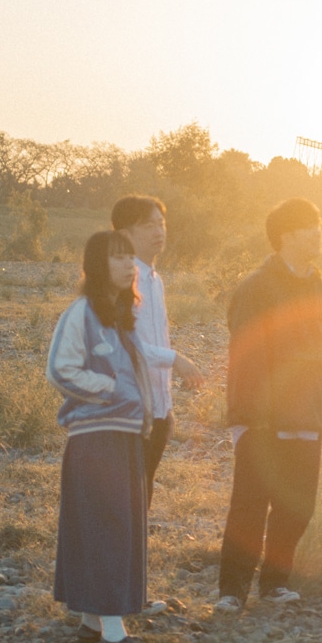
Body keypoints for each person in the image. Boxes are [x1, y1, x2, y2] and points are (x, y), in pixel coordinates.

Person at [215, 197, 322, 613]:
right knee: (250, 506)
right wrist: (248, 416)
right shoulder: (255, 288)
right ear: (287, 235)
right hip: (262, 420)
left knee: (297, 507)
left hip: (308, 417)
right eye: (310, 226)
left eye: (319, 225)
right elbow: (245, 355)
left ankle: (275, 584)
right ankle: (232, 590)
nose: (318, 232)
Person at [45, 229, 159, 643]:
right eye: (116, 258)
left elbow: (140, 368)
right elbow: (60, 369)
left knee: (111, 527)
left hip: (123, 437)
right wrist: (109, 389)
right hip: (95, 440)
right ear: (96, 265)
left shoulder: (119, 316)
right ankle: (114, 633)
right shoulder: (81, 312)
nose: (128, 265)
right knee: (109, 528)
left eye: (130, 257)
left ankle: (92, 623)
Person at [109, 194, 204, 509]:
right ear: (125, 233)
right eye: (148, 225)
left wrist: (166, 406)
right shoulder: (122, 279)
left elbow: (156, 338)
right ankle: (119, 556)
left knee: (143, 487)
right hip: (131, 406)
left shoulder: (155, 279)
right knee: (126, 493)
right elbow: (127, 345)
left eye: (161, 224)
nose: (158, 231)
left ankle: (133, 556)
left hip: (158, 408)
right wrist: (175, 359)